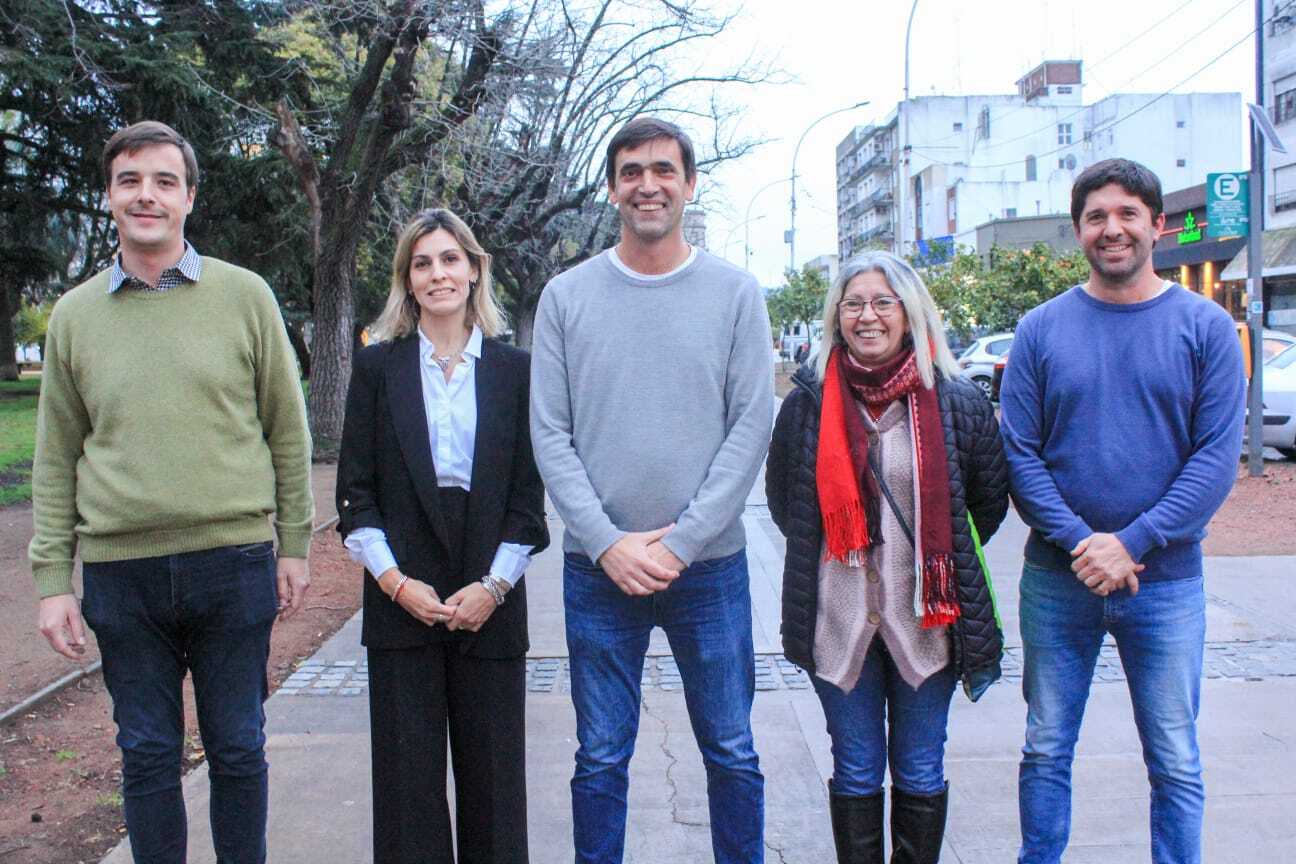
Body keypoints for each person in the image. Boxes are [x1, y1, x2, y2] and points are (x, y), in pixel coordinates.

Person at [30, 120, 313, 863]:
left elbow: (288, 431)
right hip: (124, 577)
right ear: (110, 197)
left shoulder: (244, 297)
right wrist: (54, 580)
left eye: (163, 181)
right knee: (148, 754)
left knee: (239, 747)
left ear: (189, 196)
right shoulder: (74, 317)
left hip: (233, 563)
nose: (146, 196)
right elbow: (56, 456)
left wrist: (294, 545)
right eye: (130, 181)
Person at [530, 117, 774, 864]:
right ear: (611, 188)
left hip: (710, 569)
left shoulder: (735, 293)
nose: (647, 184)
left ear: (690, 184)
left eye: (663, 170)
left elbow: (750, 426)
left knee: (731, 749)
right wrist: (607, 543)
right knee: (600, 755)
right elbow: (550, 432)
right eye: (631, 171)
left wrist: (682, 540)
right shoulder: (567, 297)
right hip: (598, 571)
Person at [1000, 158, 1245, 864]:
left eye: (1128, 214)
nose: (1113, 229)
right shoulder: (1041, 330)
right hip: (1056, 580)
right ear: (1078, 231)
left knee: (1174, 754)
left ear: (1157, 225)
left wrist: (1131, 542)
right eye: (1097, 216)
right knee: (1045, 745)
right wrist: (1085, 543)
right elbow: (1022, 456)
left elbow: (1212, 461)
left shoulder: (1204, 328)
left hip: (1166, 583)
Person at [766, 251, 1009, 864]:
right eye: (853, 304)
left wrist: (931, 558)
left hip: (927, 623)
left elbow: (985, 502)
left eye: (882, 302)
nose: (867, 315)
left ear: (910, 312)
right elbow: (786, 503)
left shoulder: (955, 402)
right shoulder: (806, 406)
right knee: (854, 770)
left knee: (921, 766)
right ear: (836, 317)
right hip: (837, 623)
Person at [336, 208, 548, 864]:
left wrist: (494, 586)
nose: (438, 274)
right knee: (408, 796)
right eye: (422, 262)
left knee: (494, 791)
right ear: (406, 279)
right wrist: (394, 583)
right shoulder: (378, 370)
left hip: (491, 590)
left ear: (474, 269)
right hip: (403, 592)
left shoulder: (516, 371)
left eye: (450, 259)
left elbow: (527, 498)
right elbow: (357, 492)